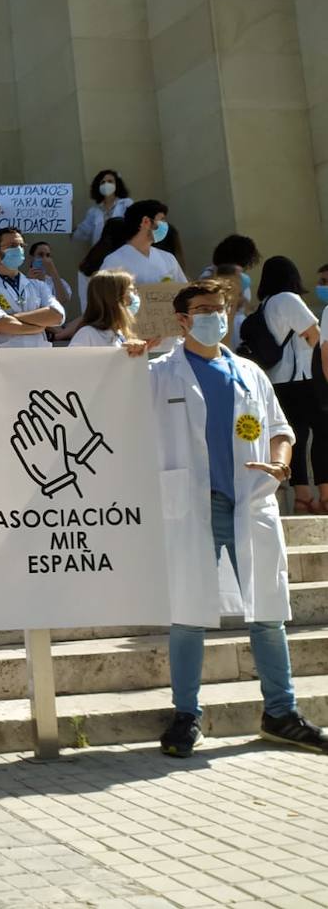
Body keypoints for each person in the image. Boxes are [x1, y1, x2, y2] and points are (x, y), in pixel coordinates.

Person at [152, 279, 327, 756]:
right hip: (193, 503)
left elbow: (279, 428)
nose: (215, 316)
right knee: (188, 614)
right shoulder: (158, 373)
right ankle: (186, 715)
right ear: (183, 320)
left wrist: (282, 461)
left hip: (251, 500)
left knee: (268, 613)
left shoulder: (250, 372)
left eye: (221, 307)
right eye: (204, 309)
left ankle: (280, 713)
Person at [250, 257, 325, 514]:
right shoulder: (288, 299)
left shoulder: (266, 304)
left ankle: (302, 496)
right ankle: (325, 495)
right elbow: (315, 335)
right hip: (303, 379)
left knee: (297, 437)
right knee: (323, 434)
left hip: (278, 381)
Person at [0, 227, 63, 349]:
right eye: (13, 245)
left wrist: (13, 318)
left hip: (39, 355)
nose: (19, 249)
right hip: (6, 356)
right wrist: (38, 325)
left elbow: (57, 316)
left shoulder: (38, 285)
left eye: (21, 245)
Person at [100, 200, 186, 286]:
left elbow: (183, 291)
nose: (165, 225)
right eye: (161, 220)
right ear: (146, 221)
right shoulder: (113, 262)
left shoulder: (168, 258)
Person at [68, 270, 147, 349]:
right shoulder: (87, 334)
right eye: (130, 291)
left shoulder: (119, 334)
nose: (134, 297)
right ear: (114, 299)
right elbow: (71, 360)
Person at [74, 169, 133, 248]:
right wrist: (69, 216)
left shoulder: (126, 204)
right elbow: (82, 233)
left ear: (117, 185)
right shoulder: (93, 211)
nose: (106, 184)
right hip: (101, 254)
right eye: (103, 182)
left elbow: (134, 227)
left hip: (122, 251)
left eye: (110, 181)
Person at [26, 240, 72, 310]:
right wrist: (28, 282)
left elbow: (63, 300)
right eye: (40, 255)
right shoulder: (23, 280)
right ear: (31, 258)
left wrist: (53, 272)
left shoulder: (56, 281)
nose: (44, 259)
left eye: (47, 255)